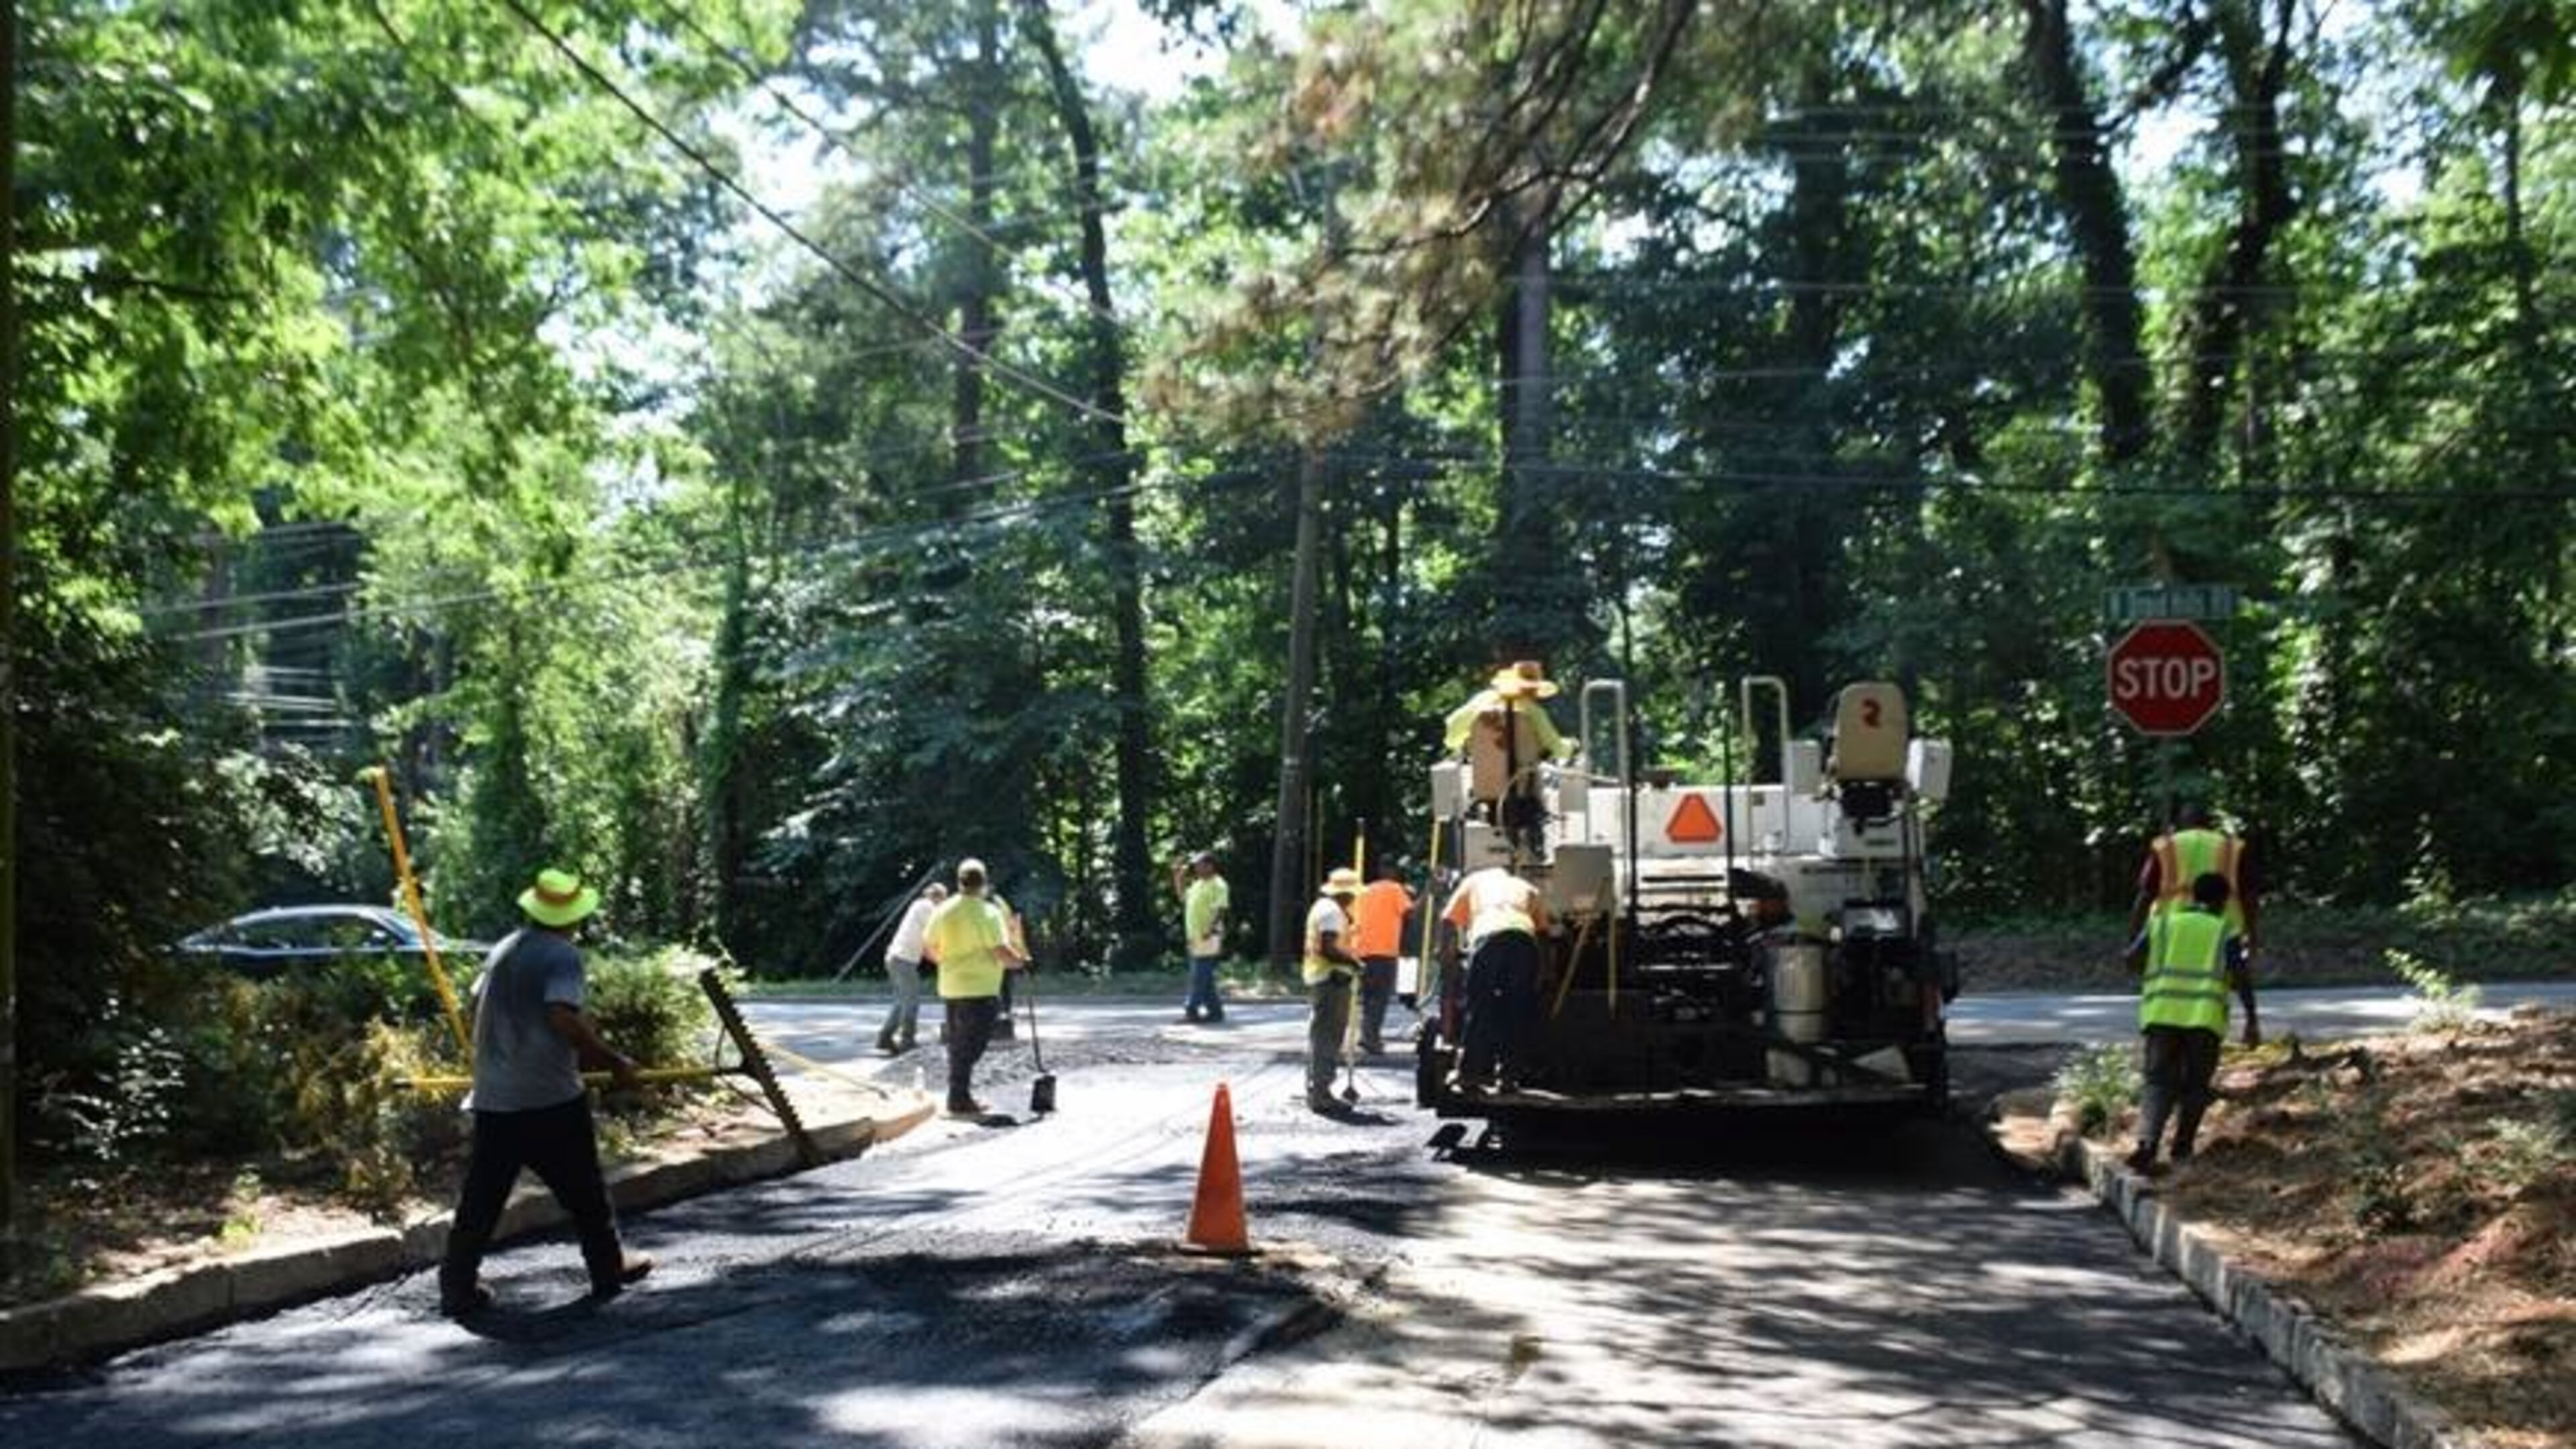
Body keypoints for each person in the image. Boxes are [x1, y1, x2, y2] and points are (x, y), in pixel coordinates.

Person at [439, 868, 653, 1318]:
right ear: (573, 916)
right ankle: (608, 1267)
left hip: (496, 1095)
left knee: (483, 1196)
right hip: (549, 1095)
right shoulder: (561, 956)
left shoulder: (504, 949)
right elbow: (561, 1015)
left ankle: (457, 1285)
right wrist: (613, 1061)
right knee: (585, 1191)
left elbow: (475, 1004)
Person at [2127, 871, 2261, 1175]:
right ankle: (2182, 1150)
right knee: (2196, 1086)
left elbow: (2131, 959)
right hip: (2203, 1020)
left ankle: (2147, 1143)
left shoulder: (2161, 923)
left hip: (2161, 1016)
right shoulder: (2224, 930)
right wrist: (2251, 1019)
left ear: (2193, 896)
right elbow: (2241, 976)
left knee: (2157, 1082)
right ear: (2224, 901)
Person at [924, 858, 1028, 1118]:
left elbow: (928, 946)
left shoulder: (944, 910)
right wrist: (1021, 963)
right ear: (984, 883)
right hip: (979, 989)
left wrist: (946, 963)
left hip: (951, 987)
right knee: (972, 1045)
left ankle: (960, 1096)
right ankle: (958, 1098)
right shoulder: (987, 912)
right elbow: (1000, 951)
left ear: (959, 881)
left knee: (960, 1044)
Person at [1443, 660, 1576, 859]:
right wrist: (1572, 745)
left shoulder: (1480, 703)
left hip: (1483, 795)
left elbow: (1451, 735)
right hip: (1525, 795)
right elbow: (1559, 750)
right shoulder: (1533, 712)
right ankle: (1535, 851)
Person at [1441, 864, 1551, 1093]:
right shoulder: (1527, 887)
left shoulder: (1472, 883)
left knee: (1479, 1007)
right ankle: (1509, 1077)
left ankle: (1469, 1074)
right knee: (1517, 1010)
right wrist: (1543, 971)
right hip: (1524, 941)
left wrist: (1447, 958)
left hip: (1488, 938)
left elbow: (1448, 921)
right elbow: (1543, 934)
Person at [2126, 802, 2259, 955]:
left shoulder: (2166, 846)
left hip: (2171, 929)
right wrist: (2252, 935)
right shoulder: (2232, 848)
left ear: (2181, 823)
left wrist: (2134, 939)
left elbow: (2146, 895)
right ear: (2210, 823)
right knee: (2219, 975)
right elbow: (2249, 897)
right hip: (2224, 930)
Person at [1303, 866, 1365, 1113]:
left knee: (1320, 1037)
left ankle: (1317, 1089)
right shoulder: (1332, 912)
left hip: (1321, 978)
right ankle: (1322, 1094)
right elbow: (1329, 948)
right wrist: (1355, 963)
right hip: (1331, 981)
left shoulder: (1323, 907)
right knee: (1328, 1038)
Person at [1349, 861, 1415, 1055]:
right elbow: (1411, 914)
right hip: (1383, 951)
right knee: (1379, 998)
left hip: (1362, 951)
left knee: (1369, 997)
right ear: (1391, 871)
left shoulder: (1364, 892)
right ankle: (1370, 1039)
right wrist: (1429, 893)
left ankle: (1367, 1034)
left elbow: (1354, 916)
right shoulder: (1395, 889)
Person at [875, 881, 947, 1055]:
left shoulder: (918, 906)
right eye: (943, 900)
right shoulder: (927, 907)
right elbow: (938, 932)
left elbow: (926, 942)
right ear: (939, 897)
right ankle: (907, 1040)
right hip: (903, 960)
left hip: (896, 958)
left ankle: (885, 1038)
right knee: (912, 1001)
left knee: (902, 1001)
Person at [1173, 851, 1230, 1024]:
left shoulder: (1219, 884)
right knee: (1205, 976)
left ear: (1210, 866)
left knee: (1199, 975)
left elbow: (1221, 909)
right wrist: (1178, 877)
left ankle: (1191, 1010)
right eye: (1196, 865)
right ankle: (1216, 1011)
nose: (1195, 868)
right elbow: (1183, 897)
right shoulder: (1198, 884)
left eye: (1199, 864)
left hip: (1209, 936)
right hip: (1195, 937)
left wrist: (1210, 929)